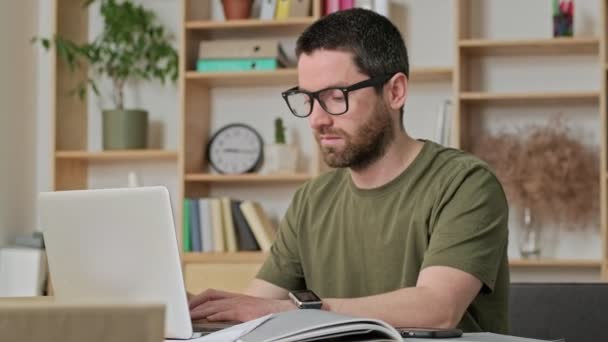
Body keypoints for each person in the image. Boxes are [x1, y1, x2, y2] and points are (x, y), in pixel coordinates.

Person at [189, 8, 509, 333]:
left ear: (395, 92)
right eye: (308, 99)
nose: (317, 119)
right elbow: (258, 307)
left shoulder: (465, 183)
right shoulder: (312, 200)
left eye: (335, 96)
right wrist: (184, 310)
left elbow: (438, 309)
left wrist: (301, 310)